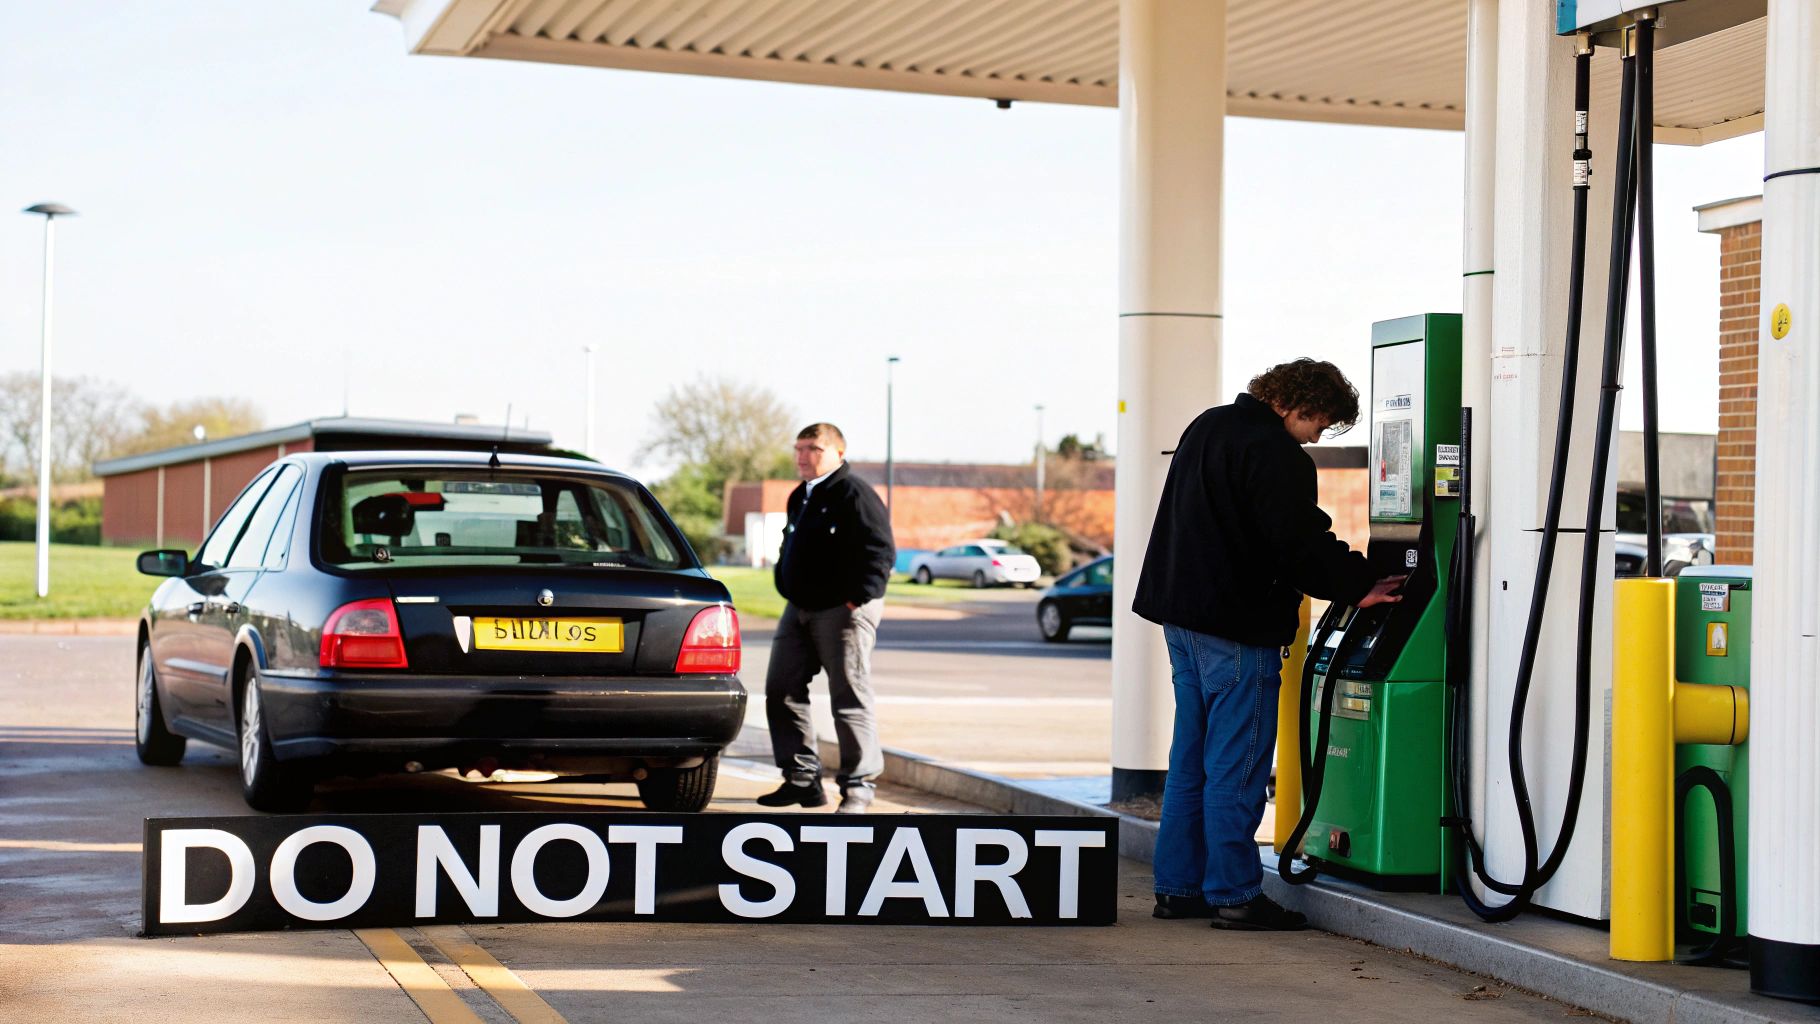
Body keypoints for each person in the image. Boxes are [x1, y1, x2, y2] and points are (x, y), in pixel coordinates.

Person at [1133, 358, 1406, 930]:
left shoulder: (1208, 425)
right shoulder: (1276, 452)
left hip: (1182, 620)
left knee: (1192, 762)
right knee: (1236, 766)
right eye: (1321, 424)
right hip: (1236, 626)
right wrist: (1358, 586)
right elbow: (1298, 541)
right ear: (1300, 405)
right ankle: (1234, 894)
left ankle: (1179, 888)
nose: (1317, 436)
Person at [758, 422, 896, 813]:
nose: (803, 457)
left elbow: (881, 552)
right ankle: (802, 779)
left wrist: (856, 599)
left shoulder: (854, 493)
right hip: (799, 608)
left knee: (848, 697)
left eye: (814, 449)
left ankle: (858, 789)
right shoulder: (800, 495)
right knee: (781, 689)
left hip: (843, 610)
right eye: (799, 449)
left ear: (838, 452)